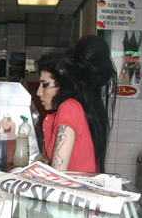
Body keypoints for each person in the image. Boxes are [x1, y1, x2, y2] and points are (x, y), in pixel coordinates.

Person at [34, 35, 117, 173]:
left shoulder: (69, 108)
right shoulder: (73, 108)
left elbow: (57, 174)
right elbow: (51, 157)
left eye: (45, 85)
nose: (38, 92)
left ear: (63, 84)